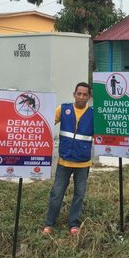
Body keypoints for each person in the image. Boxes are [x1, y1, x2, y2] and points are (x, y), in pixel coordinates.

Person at [43, 82, 93, 236]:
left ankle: (74, 224)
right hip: (64, 161)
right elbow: (45, 123)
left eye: (85, 94)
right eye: (79, 93)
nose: (81, 97)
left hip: (83, 163)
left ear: (89, 97)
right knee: (57, 193)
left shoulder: (94, 114)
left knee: (79, 195)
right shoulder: (63, 109)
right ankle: (49, 223)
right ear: (74, 94)